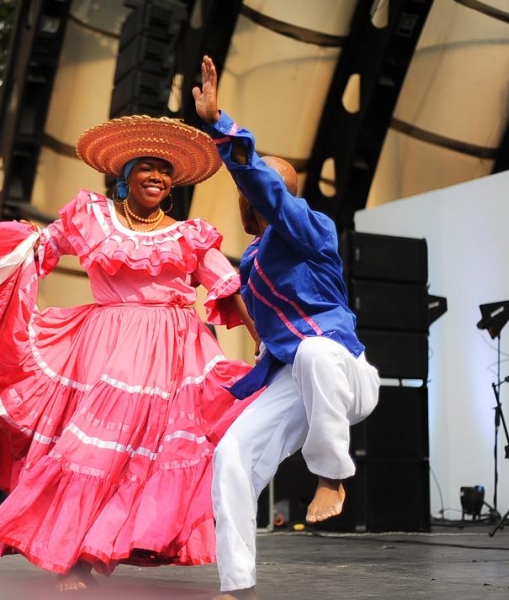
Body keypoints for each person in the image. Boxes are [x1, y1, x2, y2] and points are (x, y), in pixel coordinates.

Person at [0, 115, 262, 591]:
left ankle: (122, 543)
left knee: (157, 454)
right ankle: (76, 556)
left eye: (165, 170)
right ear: (126, 173)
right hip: (105, 347)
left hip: (174, 352)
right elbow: (41, 250)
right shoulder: (93, 218)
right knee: (89, 451)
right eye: (147, 166)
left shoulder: (189, 234)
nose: (157, 176)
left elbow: (226, 283)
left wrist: (259, 333)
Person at [193, 55, 381, 599]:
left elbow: (272, 195)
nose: (249, 197)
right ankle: (238, 583)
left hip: (344, 376)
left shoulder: (311, 230)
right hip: (294, 382)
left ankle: (331, 477)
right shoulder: (251, 264)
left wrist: (221, 127)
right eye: (245, 190)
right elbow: (258, 328)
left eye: (262, 188)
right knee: (231, 454)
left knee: (314, 353)